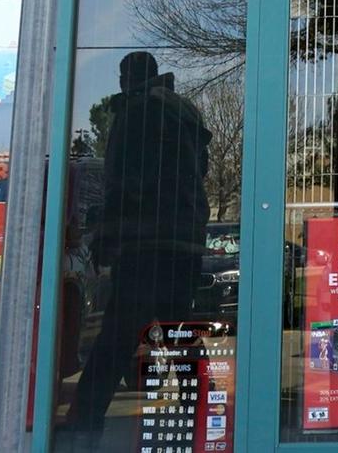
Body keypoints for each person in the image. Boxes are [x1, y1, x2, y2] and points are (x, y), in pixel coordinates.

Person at [63, 51, 211, 441]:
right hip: (184, 240)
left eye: (123, 75)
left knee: (116, 336)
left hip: (146, 240)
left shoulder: (138, 112)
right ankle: (204, 418)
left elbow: (126, 182)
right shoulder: (185, 113)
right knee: (180, 334)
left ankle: (84, 425)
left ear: (128, 77)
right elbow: (199, 171)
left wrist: (108, 235)